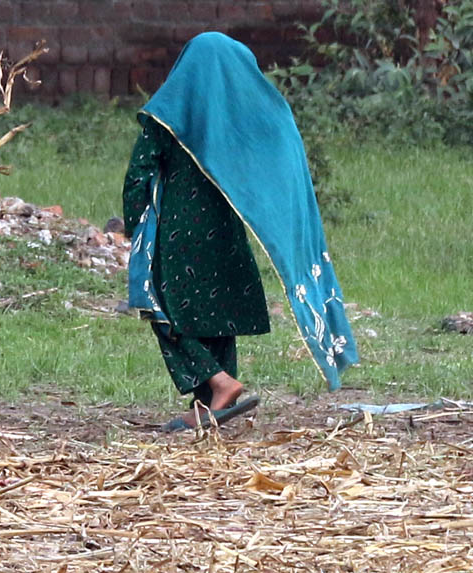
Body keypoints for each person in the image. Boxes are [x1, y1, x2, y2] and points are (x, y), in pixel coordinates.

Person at [122, 32, 358, 432]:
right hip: (226, 236)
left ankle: (220, 382)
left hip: (179, 234)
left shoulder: (169, 111)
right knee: (215, 314)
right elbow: (276, 156)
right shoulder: (246, 119)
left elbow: (139, 173)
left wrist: (133, 225)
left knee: (162, 307)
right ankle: (208, 406)